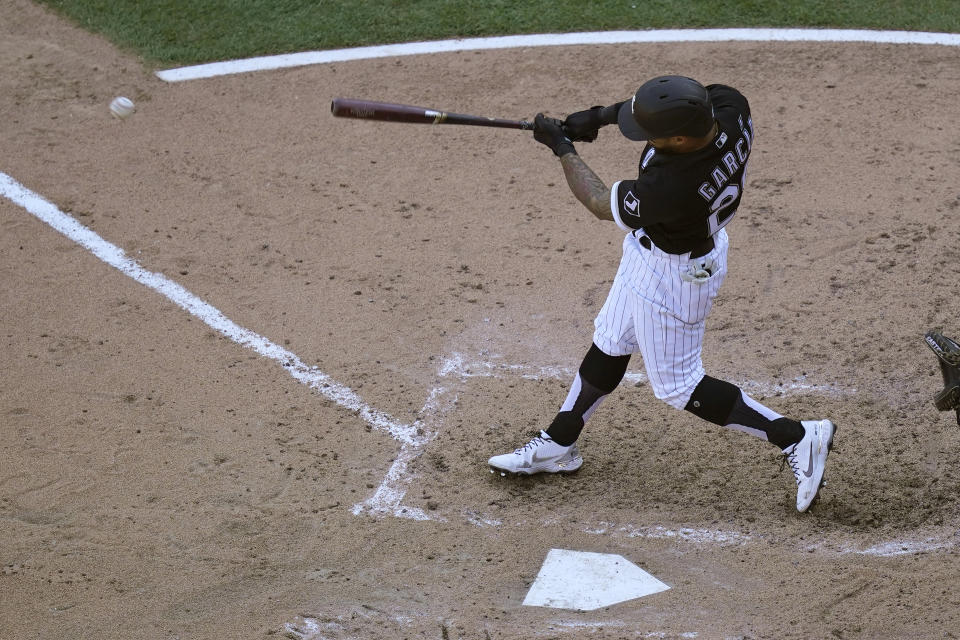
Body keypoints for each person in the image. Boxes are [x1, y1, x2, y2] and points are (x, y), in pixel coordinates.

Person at [487, 75, 836, 512]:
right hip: (652, 252)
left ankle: (798, 436)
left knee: (678, 385)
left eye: (651, 132)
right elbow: (670, 102)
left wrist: (562, 146)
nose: (643, 134)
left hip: (678, 274)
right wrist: (597, 117)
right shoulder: (730, 108)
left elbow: (598, 201)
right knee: (611, 340)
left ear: (679, 138)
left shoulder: (676, 186)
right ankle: (559, 443)